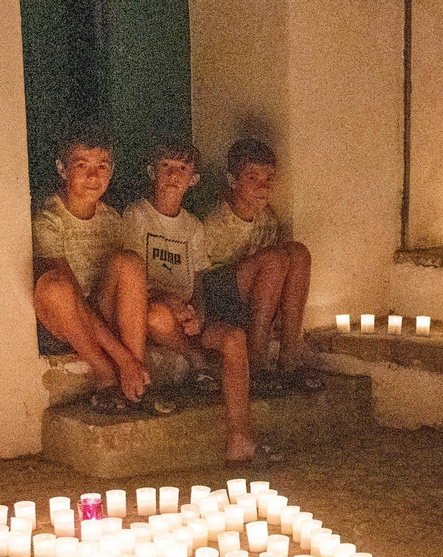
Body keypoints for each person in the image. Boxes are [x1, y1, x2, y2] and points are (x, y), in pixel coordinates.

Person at [123, 135, 256, 462]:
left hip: (186, 316)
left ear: (193, 179)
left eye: (182, 168)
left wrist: (197, 312)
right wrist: (170, 301)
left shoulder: (193, 226)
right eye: (166, 166)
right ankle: (197, 360)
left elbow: (198, 280)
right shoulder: (137, 216)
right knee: (155, 315)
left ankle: (239, 435)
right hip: (156, 311)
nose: (173, 174)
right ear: (153, 171)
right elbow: (133, 280)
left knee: (235, 338)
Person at [31, 125, 150, 405]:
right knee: (56, 285)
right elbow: (72, 299)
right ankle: (106, 373)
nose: (93, 176)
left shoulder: (112, 220)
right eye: (81, 165)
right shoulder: (49, 220)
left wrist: (130, 358)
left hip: (101, 314)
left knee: (129, 263)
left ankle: (135, 377)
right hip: (63, 323)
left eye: (102, 166)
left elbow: (126, 289)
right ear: (62, 170)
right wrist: (120, 358)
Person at [198, 138, 321, 389]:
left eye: (269, 179)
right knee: (275, 259)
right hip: (218, 301)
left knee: (298, 252)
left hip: (252, 295)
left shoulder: (267, 220)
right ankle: (255, 362)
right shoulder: (214, 220)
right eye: (253, 178)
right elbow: (201, 274)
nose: (262, 187)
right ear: (233, 180)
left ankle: (289, 359)